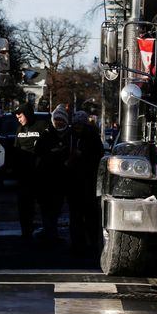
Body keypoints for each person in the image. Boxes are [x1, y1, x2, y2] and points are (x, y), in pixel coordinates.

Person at [65, 111, 104, 253]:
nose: (77, 128)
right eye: (75, 125)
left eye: (79, 125)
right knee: (76, 215)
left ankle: (91, 242)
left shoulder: (91, 137)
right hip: (75, 180)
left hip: (87, 180)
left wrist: (84, 155)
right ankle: (78, 243)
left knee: (88, 215)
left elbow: (97, 155)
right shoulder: (71, 136)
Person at [34, 105, 71, 244]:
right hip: (46, 177)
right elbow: (38, 154)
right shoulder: (46, 134)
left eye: (61, 119)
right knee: (45, 206)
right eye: (56, 119)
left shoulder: (70, 135)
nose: (58, 122)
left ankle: (52, 231)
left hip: (62, 178)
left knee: (57, 206)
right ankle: (49, 232)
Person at [13, 103, 49, 240]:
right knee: (24, 205)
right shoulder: (19, 129)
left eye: (20, 116)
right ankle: (25, 232)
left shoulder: (41, 125)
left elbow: (48, 145)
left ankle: (48, 232)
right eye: (17, 117)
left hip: (40, 174)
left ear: (27, 114)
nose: (19, 119)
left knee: (44, 205)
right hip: (24, 175)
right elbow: (16, 149)